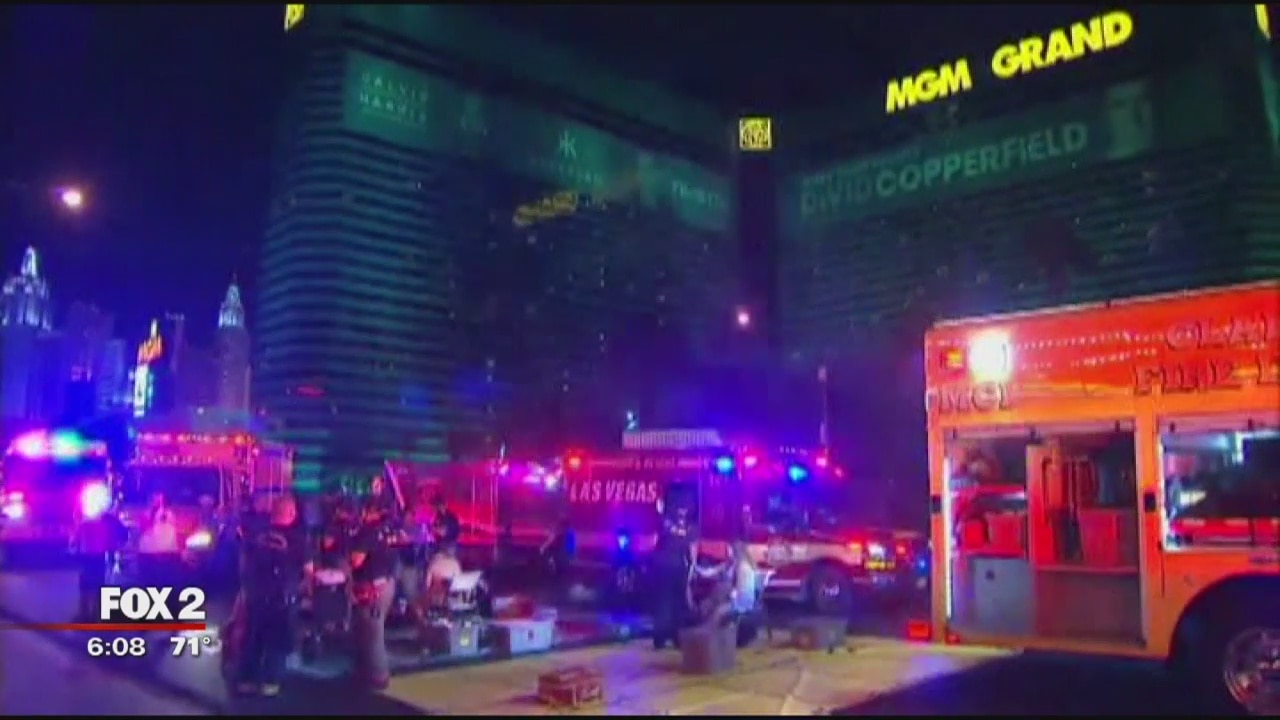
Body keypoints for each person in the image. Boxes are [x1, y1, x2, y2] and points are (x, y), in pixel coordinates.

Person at [235, 494, 311, 697]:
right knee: (277, 641)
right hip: (282, 597)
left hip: (256, 595)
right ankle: (270, 681)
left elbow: (244, 563)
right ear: (291, 513)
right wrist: (305, 589)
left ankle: (246, 680)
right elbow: (308, 569)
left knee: (253, 637)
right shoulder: (298, 538)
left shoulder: (256, 534)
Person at [349, 499, 397, 689]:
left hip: (372, 588)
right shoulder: (389, 529)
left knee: (372, 632)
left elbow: (356, 560)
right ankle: (366, 671)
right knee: (369, 631)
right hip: (387, 583)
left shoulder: (369, 531)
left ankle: (379, 676)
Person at [651, 499, 697, 650]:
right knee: (673, 603)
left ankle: (663, 637)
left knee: (667, 602)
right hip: (674, 566)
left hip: (667, 566)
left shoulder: (666, 522)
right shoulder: (689, 528)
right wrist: (692, 567)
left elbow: (656, 542)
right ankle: (671, 637)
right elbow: (691, 550)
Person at [71, 507, 127, 622]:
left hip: (88, 557)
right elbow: (118, 538)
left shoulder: (85, 523)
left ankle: (86, 615)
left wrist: (76, 551)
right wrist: (115, 548)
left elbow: (74, 542)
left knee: (87, 586)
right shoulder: (105, 522)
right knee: (98, 585)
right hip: (98, 556)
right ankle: (97, 615)